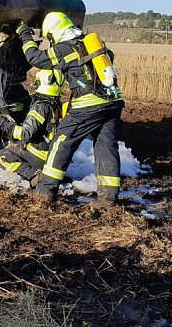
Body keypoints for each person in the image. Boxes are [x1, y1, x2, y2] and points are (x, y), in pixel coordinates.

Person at [16, 12, 124, 204]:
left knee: (61, 144)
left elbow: (36, 58)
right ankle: (109, 199)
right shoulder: (93, 44)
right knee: (106, 147)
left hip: (88, 106)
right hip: (113, 103)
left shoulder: (67, 48)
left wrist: (23, 33)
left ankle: (45, 192)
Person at [0, 69, 63, 184]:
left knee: (0, 157)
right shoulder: (55, 104)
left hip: (38, 156)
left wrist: (3, 123)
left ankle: (32, 174)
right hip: (50, 155)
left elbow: (25, 133)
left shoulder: (40, 107)